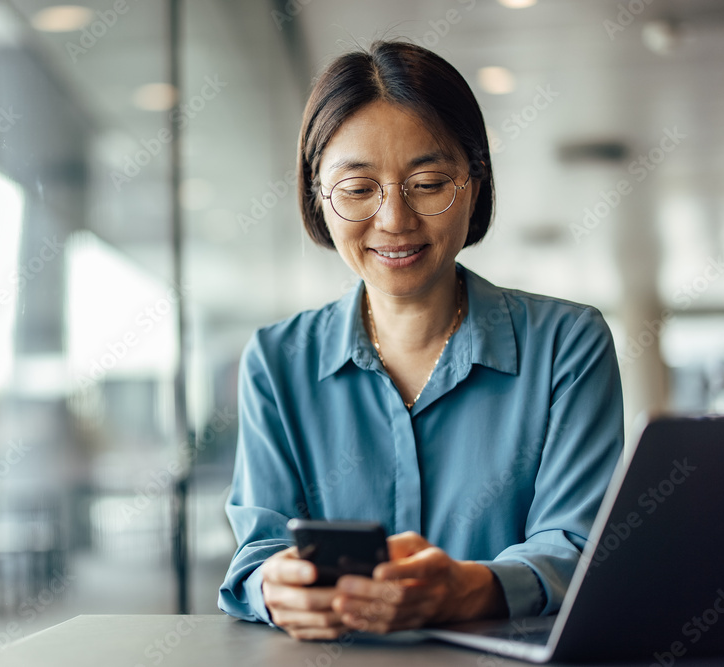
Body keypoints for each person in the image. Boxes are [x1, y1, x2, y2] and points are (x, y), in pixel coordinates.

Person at [217, 40, 624, 641]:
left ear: (475, 184)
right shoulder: (278, 361)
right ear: (317, 198)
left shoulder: (566, 344)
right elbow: (259, 553)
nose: (394, 220)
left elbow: (580, 546)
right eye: (358, 188)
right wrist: (274, 586)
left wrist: (472, 590)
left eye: (428, 182)